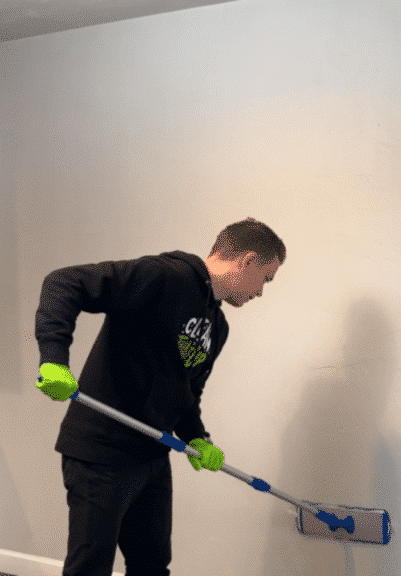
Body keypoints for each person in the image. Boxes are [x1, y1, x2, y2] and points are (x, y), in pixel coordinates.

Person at [34, 217, 285, 576]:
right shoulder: (165, 276)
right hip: (101, 453)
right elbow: (64, 282)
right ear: (247, 261)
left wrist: (199, 437)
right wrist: (54, 360)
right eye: (267, 277)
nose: (261, 291)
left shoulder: (218, 327)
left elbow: (185, 395)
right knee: (90, 569)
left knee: (152, 566)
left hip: (152, 456)